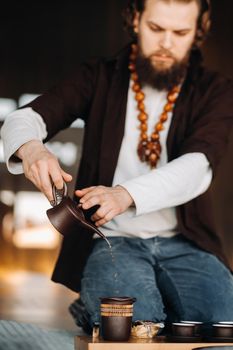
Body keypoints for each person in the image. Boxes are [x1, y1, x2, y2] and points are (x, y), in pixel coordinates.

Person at [2, 0, 233, 333]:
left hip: (185, 242)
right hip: (113, 240)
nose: (167, 43)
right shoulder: (99, 76)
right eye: (156, 29)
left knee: (223, 325)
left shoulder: (216, 91)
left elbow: (198, 166)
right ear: (136, 19)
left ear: (199, 32)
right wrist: (33, 148)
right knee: (135, 328)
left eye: (180, 32)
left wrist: (125, 195)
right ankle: (96, 304)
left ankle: (95, 305)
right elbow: (24, 118)